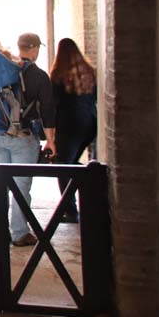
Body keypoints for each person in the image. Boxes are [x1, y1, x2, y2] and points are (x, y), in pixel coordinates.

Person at [0, 32, 57, 247]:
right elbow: (48, 110)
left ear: (19, 47)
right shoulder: (39, 76)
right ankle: (19, 234)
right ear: (35, 48)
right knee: (21, 187)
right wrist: (51, 141)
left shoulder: (5, 69)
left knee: (0, 185)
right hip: (23, 138)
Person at [49, 38, 97, 223]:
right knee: (72, 164)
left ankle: (70, 210)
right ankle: (89, 190)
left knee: (62, 166)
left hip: (68, 126)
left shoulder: (58, 76)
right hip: (88, 124)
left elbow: (54, 105)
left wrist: (50, 134)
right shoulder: (89, 72)